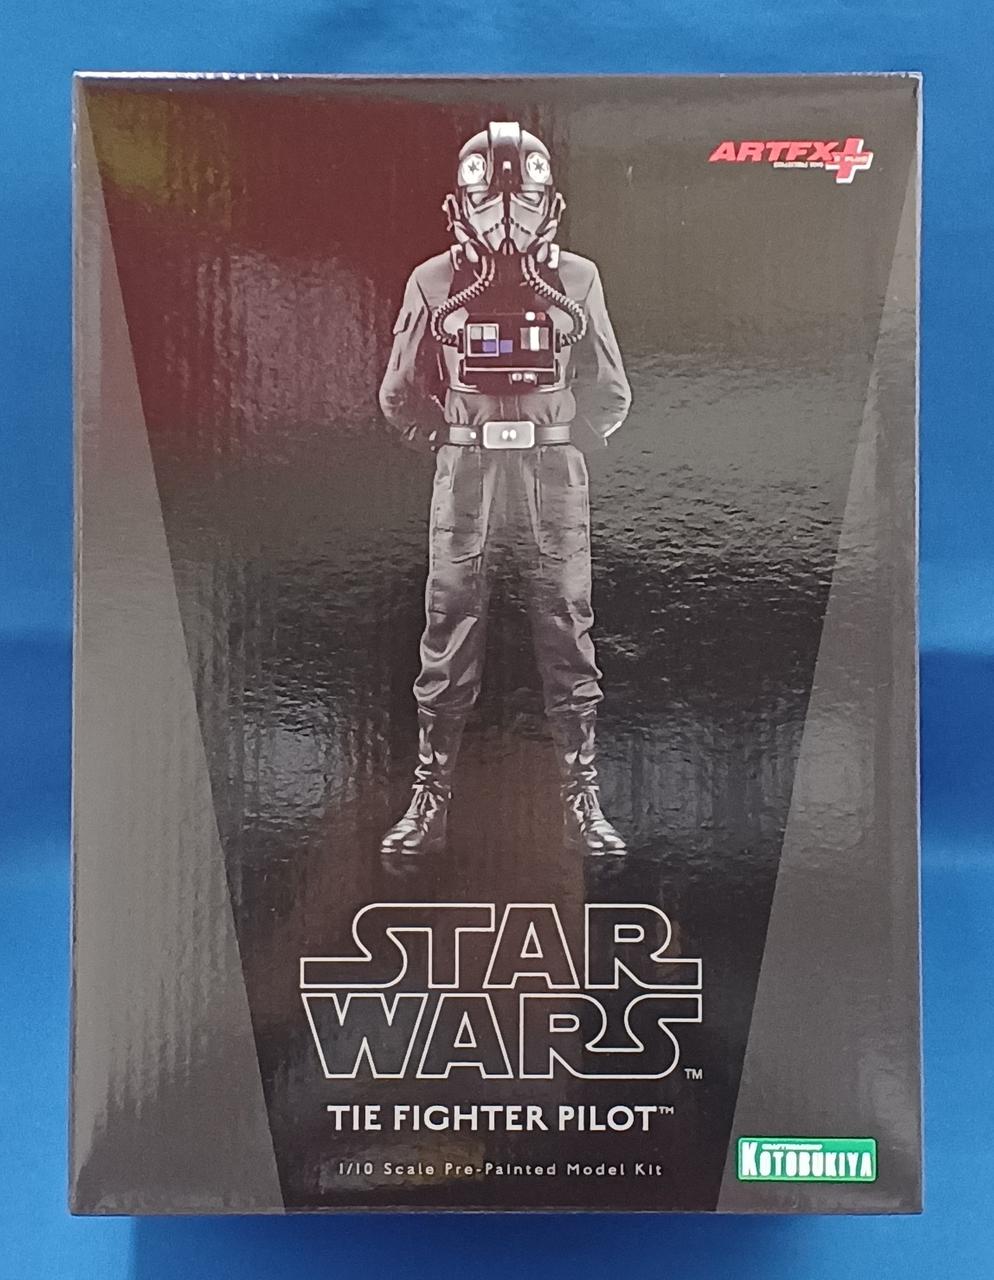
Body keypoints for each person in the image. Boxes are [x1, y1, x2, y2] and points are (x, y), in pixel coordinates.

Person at [378, 121, 631, 857]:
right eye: (491, 198)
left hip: (551, 479)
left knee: (567, 626)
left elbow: (612, 390)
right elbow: (397, 393)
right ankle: (430, 797)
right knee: (449, 627)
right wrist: (452, 441)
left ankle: (582, 798)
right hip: (468, 478)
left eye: (522, 198)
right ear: (461, 205)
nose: (506, 215)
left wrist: (562, 442)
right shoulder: (433, 281)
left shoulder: (577, 280)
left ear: (550, 203)